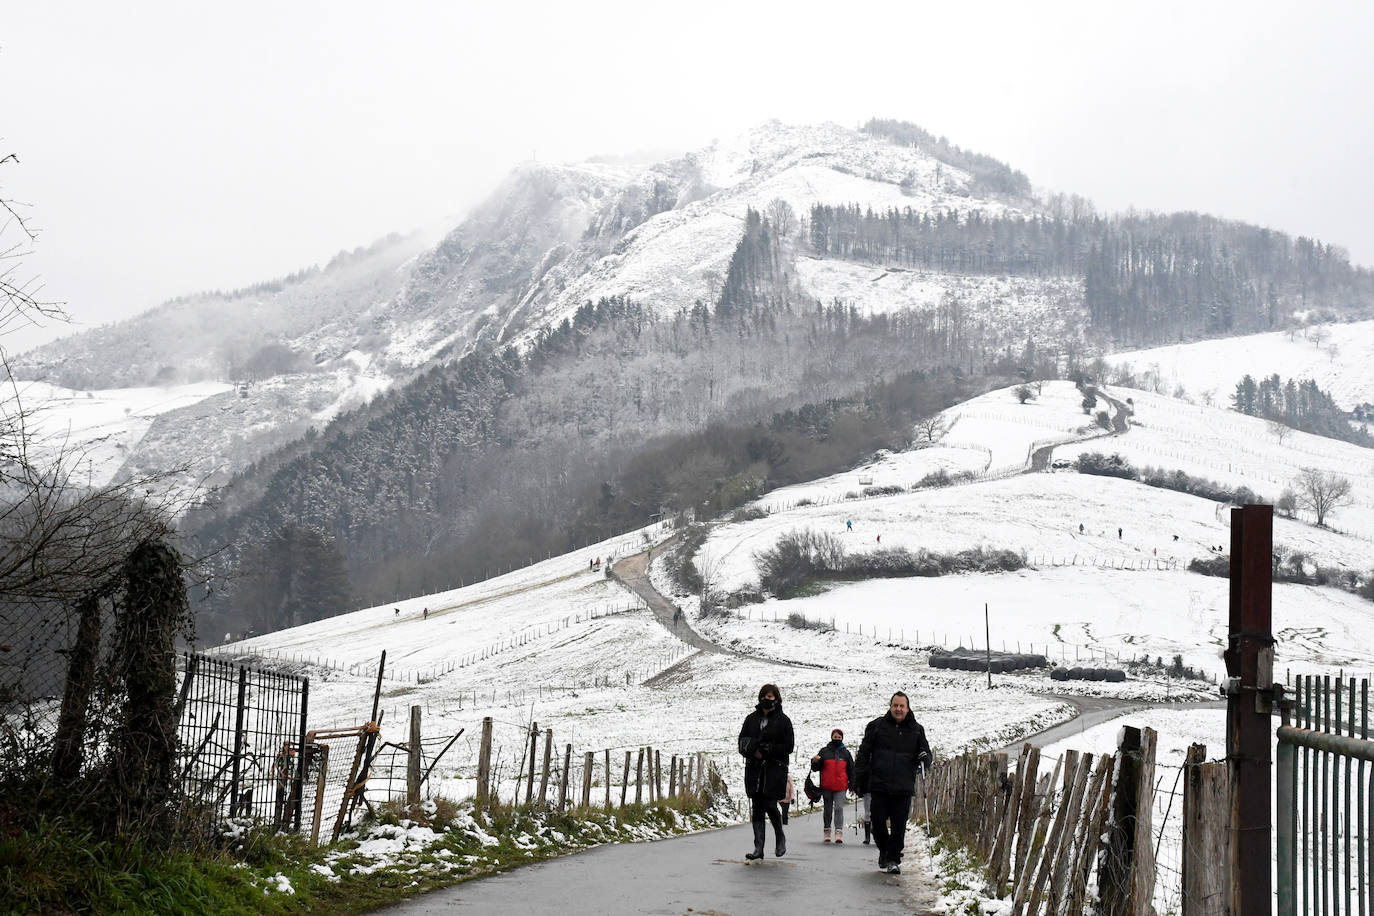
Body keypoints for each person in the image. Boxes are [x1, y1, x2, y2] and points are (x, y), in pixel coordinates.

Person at [855, 691, 932, 875]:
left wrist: (925, 757)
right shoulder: (876, 727)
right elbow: (864, 754)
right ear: (890, 707)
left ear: (907, 708)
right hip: (880, 784)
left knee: (899, 826)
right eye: (895, 705)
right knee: (878, 823)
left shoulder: (916, 730)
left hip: (903, 786)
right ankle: (885, 850)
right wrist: (858, 778)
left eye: (902, 706)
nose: (898, 709)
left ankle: (893, 859)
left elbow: (927, 754)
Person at [738, 683, 794, 860]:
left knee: (770, 804)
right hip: (754, 768)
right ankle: (758, 848)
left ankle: (780, 837)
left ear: (777, 699)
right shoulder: (751, 719)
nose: (767, 700)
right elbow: (741, 741)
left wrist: (771, 749)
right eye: (764, 696)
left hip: (774, 769)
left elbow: (789, 746)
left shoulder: (783, 721)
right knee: (757, 807)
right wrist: (752, 748)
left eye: (770, 697)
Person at [811, 727, 854, 843]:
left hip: (841, 786)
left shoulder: (846, 753)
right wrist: (814, 761)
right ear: (831, 737)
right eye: (835, 737)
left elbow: (851, 770)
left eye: (839, 737)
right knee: (828, 809)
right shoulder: (824, 751)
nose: (837, 739)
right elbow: (816, 768)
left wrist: (852, 786)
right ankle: (827, 831)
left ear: (842, 738)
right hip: (827, 786)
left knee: (839, 808)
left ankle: (839, 832)